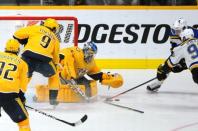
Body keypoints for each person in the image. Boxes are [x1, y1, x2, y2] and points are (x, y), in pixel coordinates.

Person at [13, 18, 60, 105]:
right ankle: (53, 99)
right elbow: (56, 56)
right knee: (54, 75)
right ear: (54, 28)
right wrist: (56, 65)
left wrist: (25, 41)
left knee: (25, 77)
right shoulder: (55, 39)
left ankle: (15, 97)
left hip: (28, 57)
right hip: (44, 61)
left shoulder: (35, 28)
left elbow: (16, 34)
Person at [147, 18, 198, 92]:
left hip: (191, 56)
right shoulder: (173, 34)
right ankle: (158, 83)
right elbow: (174, 50)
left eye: (178, 31)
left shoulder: (195, 33)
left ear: (184, 28)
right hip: (182, 53)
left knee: (167, 66)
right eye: (175, 30)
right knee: (168, 66)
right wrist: (180, 63)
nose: (176, 33)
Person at [59, 42, 123, 98]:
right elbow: (67, 60)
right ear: (85, 50)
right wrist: (71, 76)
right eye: (90, 53)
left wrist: (108, 78)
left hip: (76, 77)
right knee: (67, 79)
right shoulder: (76, 53)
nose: (91, 56)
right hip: (63, 76)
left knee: (87, 86)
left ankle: (83, 99)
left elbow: (96, 74)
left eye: (92, 55)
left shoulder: (91, 63)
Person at [0, 39, 30, 131]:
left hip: (8, 94)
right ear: (18, 50)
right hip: (9, 95)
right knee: (23, 122)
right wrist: (21, 98)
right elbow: (23, 85)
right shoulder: (22, 63)